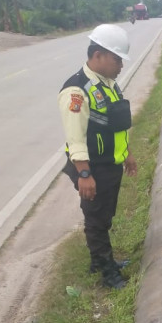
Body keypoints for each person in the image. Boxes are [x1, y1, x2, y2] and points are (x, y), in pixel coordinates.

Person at [58, 24, 137, 289]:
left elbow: (113, 126)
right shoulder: (76, 91)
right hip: (91, 168)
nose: (121, 65)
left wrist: (126, 154)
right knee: (96, 218)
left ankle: (99, 261)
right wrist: (84, 174)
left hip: (109, 165)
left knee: (104, 216)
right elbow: (76, 137)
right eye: (117, 59)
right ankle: (107, 273)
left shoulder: (108, 84)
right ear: (99, 55)